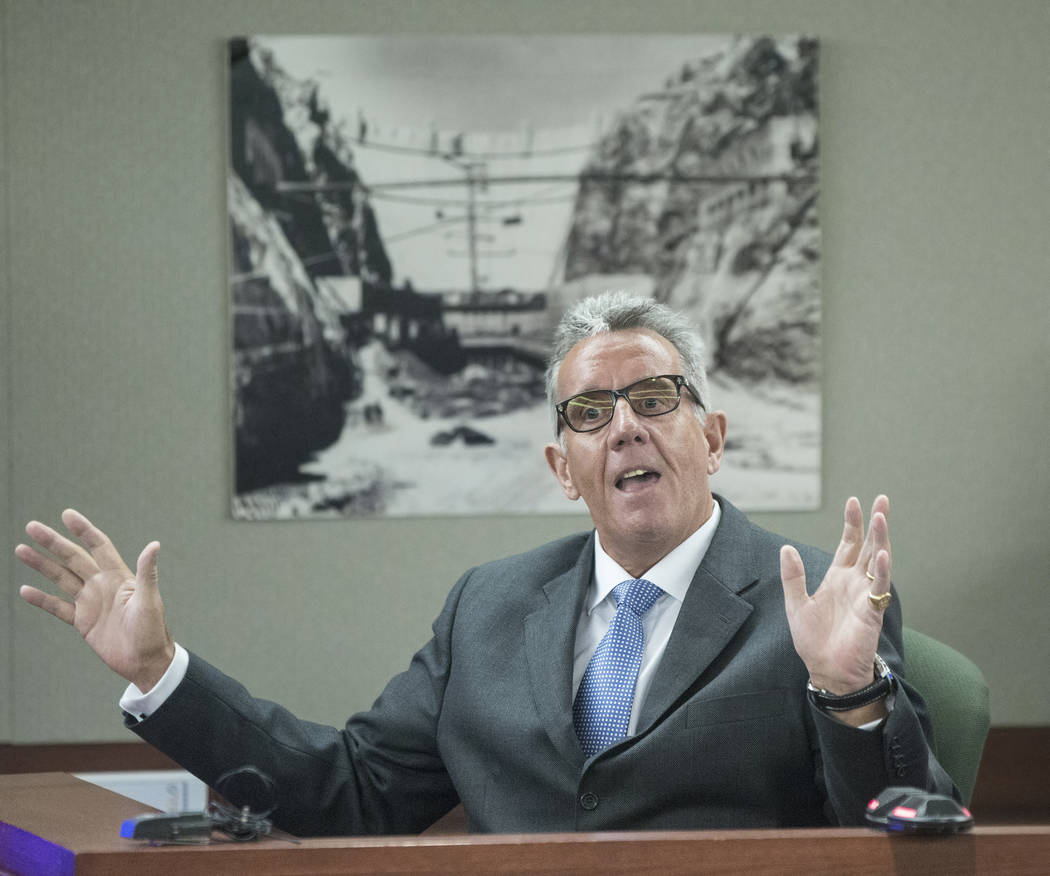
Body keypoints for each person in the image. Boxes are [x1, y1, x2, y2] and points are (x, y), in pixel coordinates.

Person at [15, 292, 955, 836]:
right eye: (590, 413)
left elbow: (907, 825)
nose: (624, 427)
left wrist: (849, 694)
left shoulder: (819, 605)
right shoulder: (488, 607)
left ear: (712, 437)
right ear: (562, 469)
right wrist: (161, 673)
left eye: (655, 398)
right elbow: (353, 792)